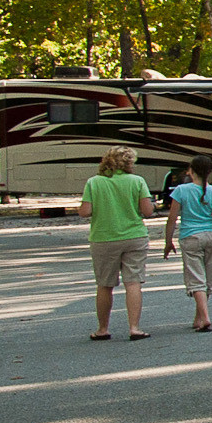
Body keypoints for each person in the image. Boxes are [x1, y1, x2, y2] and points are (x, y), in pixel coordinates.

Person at [79, 146, 155, 341]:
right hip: (134, 236)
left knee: (105, 284)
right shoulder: (137, 181)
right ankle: (134, 328)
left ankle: (102, 328)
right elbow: (147, 211)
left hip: (103, 238)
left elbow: (85, 211)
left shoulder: (94, 182)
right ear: (129, 163)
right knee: (133, 282)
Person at [161, 155, 212, 333]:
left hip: (190, 236)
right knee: (208, 279)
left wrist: (168, 241)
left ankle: (204, 318)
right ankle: (199, 317)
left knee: (196, 278)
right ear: (210, 172)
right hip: (211, 236)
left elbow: (172, 218)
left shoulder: (181, 190)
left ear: (191, 171)